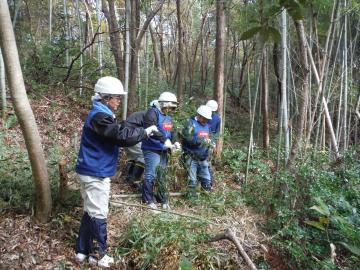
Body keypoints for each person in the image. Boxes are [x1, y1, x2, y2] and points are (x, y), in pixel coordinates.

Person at [74, 76, 158, 267]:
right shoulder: (99, 117)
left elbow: (118, 130)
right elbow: (120, 136)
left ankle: (81, 251)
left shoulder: (101, 114)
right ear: (105, 97)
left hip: (91, 169)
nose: (119, 101)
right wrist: (145, 132)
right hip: (95, 171)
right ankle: (98, 255)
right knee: (99, 213)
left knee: (90, 211)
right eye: (116, 98)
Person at [141, 92, 180, 211]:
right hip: (152, 149)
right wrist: (165, 140)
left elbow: (172, 131)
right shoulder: (152, 113)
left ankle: (163, 199)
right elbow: (151, 130)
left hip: (164, 150)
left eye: (172, 108)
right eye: (169, 107)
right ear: (163, 104)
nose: (170, 110)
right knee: (151, 174)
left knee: (162, 175)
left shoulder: (168, 117)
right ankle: (148, 200)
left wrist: (175, 141)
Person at [121, 100, 159, 190]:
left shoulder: (142, 113)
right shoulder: (150, 116)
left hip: (125, 137)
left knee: (133, 157)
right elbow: (150, 131)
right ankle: (134, 181)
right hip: (132, 137)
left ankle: (126, 178)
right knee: (142, 156)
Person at [181, 105, 213, 195]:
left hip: (203, 157)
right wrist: (200, 141)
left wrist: (211, 143)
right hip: (191, 156)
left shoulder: (207, 126)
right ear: (199, 115)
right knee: (192, 178)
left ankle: (207, 195)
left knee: (206, 177)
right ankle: (192, 197)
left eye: (207, 119)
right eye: (204, 118)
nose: (206, 121)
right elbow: (188, 139)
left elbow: (209, 137)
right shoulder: (190, 124)